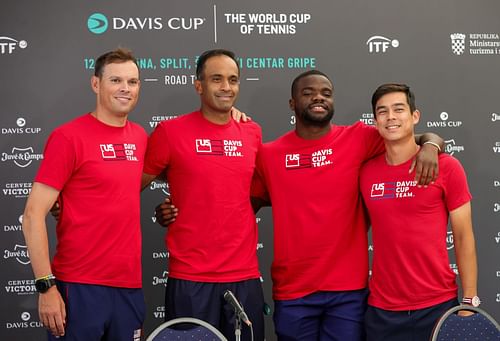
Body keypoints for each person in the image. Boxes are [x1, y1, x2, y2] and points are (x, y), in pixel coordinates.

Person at [158, 70, 444, 340]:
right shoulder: (269, 155)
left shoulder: (358, 138)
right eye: (308, 93)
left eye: (326, 93)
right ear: (293, 103)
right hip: (293, 291)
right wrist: (179, 209)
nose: (318, 97)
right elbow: (235, 202)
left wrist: (431, 145)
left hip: (348, 291)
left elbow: (406, 137)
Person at [22, 48, 147, 340]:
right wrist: (46, 286)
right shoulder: (68, 137)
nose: (125, 89)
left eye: (133, 82)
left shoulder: (140, 137)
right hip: (78, 286)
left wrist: (232, 115)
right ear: (96, 84)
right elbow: (32, 215)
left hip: (129, 286)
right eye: (115, 80)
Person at [141, 49, 265, 341]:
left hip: (244, 275)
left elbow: (254, 193)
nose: (226, 87)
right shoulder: (170, 132)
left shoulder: (252, 131)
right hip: (190, 278)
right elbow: (127, 185)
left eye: (233, 80)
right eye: (217, 79)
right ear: (198, 85)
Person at [359, 83, 478, 340]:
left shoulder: (448, 168)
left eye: (399, 109)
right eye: (383, 111)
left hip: (437, 305)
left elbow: (463, 237)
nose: (391, 117)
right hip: (382, 310)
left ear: (415, 116)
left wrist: (469, 301)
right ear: (375, 120)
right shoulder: (365, 172)